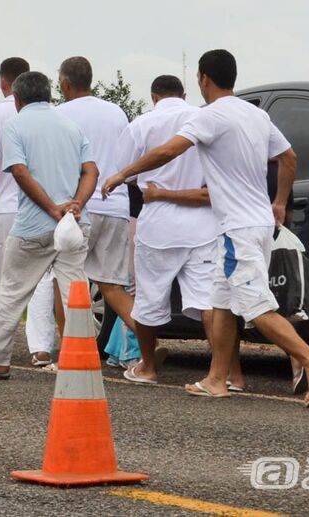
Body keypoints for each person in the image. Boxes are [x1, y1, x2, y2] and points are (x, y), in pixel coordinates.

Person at [102, 50, 309, 407]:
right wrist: (278, 201)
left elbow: (169, 151)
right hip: (255, 223)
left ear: (204, 80)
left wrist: (123, 173)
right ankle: (216, 379)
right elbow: (288, 157)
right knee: (221, 302)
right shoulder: (256, 115)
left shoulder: (210, 116)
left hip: (236, 229)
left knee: (255, 306)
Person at [0, 71, 99, 380]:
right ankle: (83, 361)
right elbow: (91, 171)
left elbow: (19, 171)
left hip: (34, 226)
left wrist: (51, 208)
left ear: (17, 99)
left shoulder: (15, 126)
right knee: (76, 293)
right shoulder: (70, 126)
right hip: (74, 224)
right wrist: (76, 203)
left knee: (13, 292)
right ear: (50, 95)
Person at [115, 74, 219, 385]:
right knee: (206, 302)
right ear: (184, 94)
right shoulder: (204, 119)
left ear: (153, 96)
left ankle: (148, 367)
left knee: (149, 298)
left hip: (158, 221)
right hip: (202, 222)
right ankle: (219, 372)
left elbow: (125, 173)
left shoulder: (141, 125)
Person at [0, 57, 55, 367]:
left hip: (7, 206)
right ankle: (41, 347)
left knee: (3, 280)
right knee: (41, 279)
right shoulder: (51, 115)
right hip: (43, 205)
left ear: (3, 83)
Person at [54, 56, 131, 339]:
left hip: (80, 207)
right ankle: (148, 348)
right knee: (111, 286)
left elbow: (61, 163)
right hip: (117, 205)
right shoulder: (116, 113)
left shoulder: (60, 113)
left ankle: (69, 351)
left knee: (65, 280)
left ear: (65, 83)